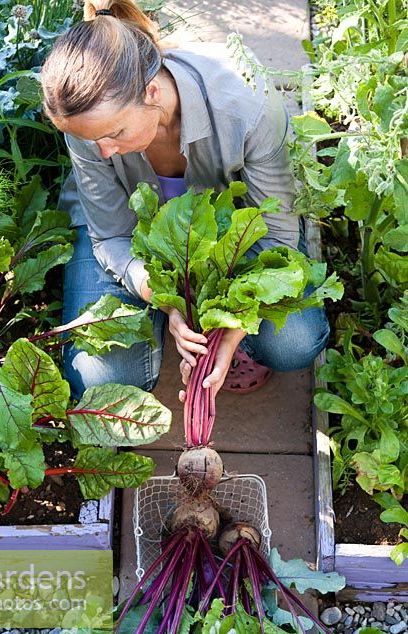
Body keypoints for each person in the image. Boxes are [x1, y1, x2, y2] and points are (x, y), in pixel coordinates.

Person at [40, 0, 329, 400]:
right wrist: (165, 299)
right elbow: (110, 238)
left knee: (294, 341)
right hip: (131, 239)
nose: (103, 152)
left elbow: (276, 241)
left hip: (227, 240)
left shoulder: (250, 110)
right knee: (98, 381)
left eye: (115, 134)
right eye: (92, 140)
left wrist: (234, 325)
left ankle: (216, 337)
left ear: (152, 92)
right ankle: (165, 329)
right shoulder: (89, 123)